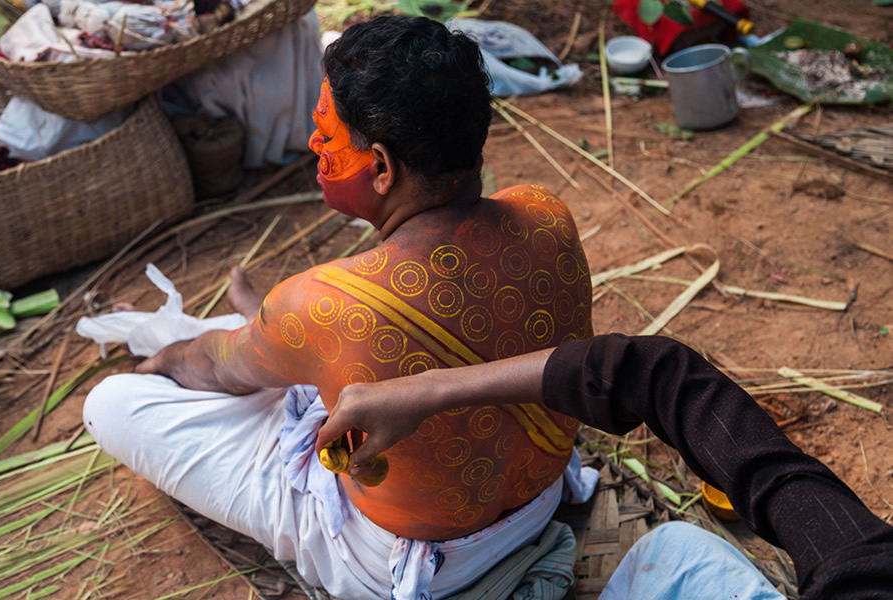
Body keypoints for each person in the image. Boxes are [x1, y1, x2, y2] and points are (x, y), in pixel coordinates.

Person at [82, 15, 597, 600]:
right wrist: (275, 321)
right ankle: (264, 333)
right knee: (285, 352)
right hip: (540, 500)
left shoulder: (323, 303)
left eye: (326, 136)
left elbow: (212, 366)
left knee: (110, 404)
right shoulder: (545, 212)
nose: (312, 147)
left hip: (404, 566)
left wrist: (160, 361)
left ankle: (257, 336)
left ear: (380, 166)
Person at [316, 333, 893, 599]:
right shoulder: (859, 567)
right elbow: (655, 375)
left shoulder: (861, 565)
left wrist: (432, 389)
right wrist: (429, 391)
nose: (317, 147)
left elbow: (656, 374)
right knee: (678, 556)